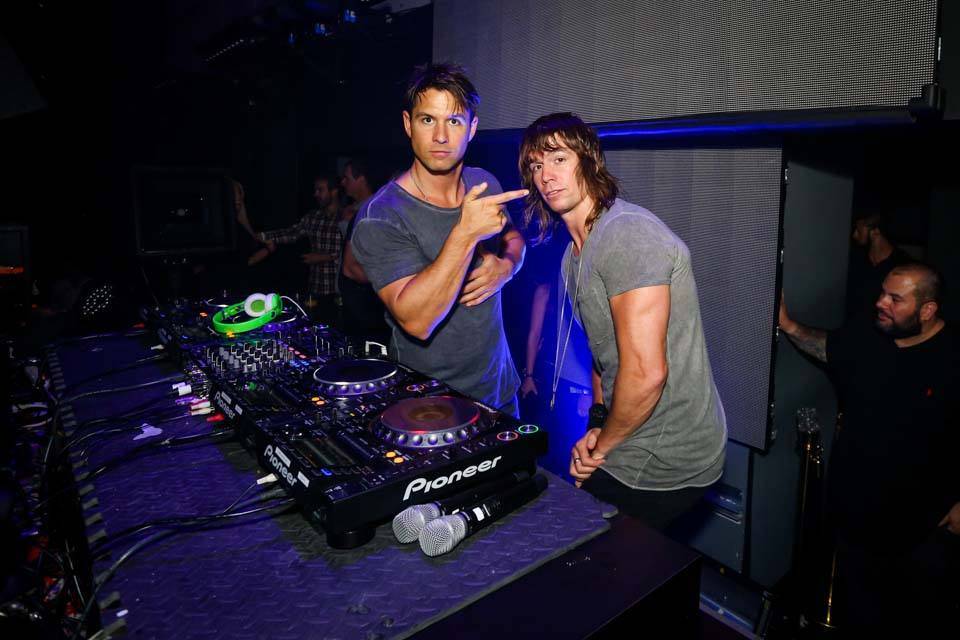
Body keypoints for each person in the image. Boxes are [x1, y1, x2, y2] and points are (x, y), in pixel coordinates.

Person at [519, 112, 726, 530]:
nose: (546, 176)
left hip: (671, 449)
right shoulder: (573, 256)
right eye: (537, 166)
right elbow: (601, 354)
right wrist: (597, 423)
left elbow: (647, 374)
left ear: (589, 161)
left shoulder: (627, 235)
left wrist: (601, 449)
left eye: (558, 159)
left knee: (587, 544)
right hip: (632, 430)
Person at [778, 263, 959, 632]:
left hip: (919, 526)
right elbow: (827, 348)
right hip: (856, 515)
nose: (881, 303)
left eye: (895, 299)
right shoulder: (870, 334)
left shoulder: (953, 359)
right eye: (882, 293)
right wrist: (788, 324)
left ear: (927, 310)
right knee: (860, 610)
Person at [350, 63, 527, 415]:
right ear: (408, 124)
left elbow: (514, 238)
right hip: (429, 403)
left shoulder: (484, 183)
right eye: (428, 120)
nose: (441, 136)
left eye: (455, 121)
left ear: (472, 128)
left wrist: (507, 266)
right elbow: (417, 322)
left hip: (500, 390)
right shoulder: (381, 215)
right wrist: (465, 233)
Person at [236, 175, 342, 325]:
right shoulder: (314, 217)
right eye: (315, 190)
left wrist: (326, 257)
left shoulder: (347, 216)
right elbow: (291, 233)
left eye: (320, 190)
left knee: (340, 328)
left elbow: (356, 253)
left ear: (334, 191)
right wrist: (262, 236)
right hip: (316, 288)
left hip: (340, 291)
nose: (315, 194)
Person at [338, 158, 389, 344]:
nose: (342, 182)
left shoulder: (375, 210)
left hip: (367, 304)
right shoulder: (355, 211)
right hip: (356, 301)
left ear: (361, 179)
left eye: (347, 178)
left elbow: (352, 267)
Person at [845, 212, 911, 321]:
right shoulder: (855, 260)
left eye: (859, 230)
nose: (855, 235)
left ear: (875, 231)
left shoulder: (903, 266)